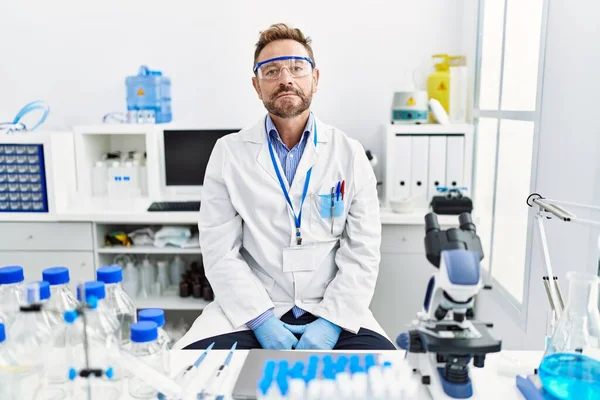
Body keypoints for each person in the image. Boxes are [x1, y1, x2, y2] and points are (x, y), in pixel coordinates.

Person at [175, 23, 395, 351]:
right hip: (252, 311)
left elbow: (363, 251)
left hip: (332, 309)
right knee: (188, 370)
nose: (285, 79)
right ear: (257, 86)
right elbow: (219, 252)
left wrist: (332, 324)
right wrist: (263, 322)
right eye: (271, 70)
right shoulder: (228, 153)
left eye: (296, 68)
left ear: (315, 79)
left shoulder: (349, 153)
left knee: (384, 375)